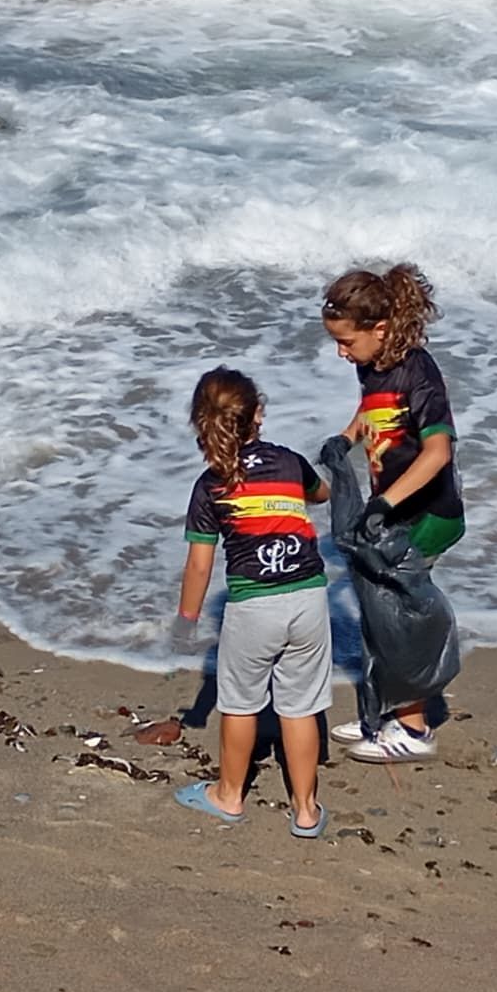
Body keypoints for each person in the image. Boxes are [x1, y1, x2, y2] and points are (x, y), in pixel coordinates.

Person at [171, 366, 333, 837]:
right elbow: (321, 494)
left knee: (241, 704)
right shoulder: (289, 463)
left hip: (253, 607)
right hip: (308, 599)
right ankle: (305, 811)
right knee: (300, 707)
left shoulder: (210, 485)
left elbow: (200, 566)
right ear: (257, 414)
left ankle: (229, 796)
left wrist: (186, 621)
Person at [321, 263, 464, 762]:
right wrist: (346, 438)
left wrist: (382, 503)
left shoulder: (417, 372)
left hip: (430, 512)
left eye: (347, 342)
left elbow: (437, 452)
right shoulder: (374, 365)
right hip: (397, 509)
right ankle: (384, 714)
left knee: (400, 610)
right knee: (379, 604)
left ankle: (415, 731)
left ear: (379, 330)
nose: (342, 353)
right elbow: (372, 410)